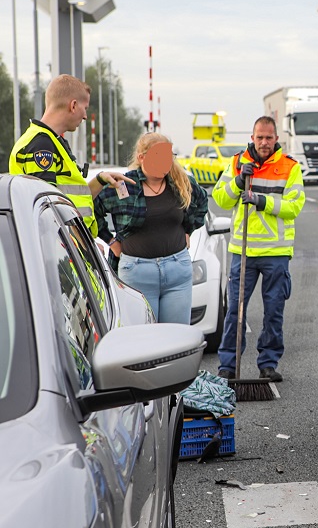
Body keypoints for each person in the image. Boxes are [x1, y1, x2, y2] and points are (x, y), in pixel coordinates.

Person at [213, 116, 304, 382]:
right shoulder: (236, 163)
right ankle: (228, 365)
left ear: (277, 139)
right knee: (235, 311)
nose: (264, 142)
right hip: (243, 252)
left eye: (269, 137)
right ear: (252, 138)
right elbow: (220, 198)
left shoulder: (289, 167)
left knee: (273, 310)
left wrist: (260, 200)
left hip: (276, 252)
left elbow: (294, 206)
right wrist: (240, 181)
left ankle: (268, 363)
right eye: (259, 137)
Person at [93, 132, 208, 323]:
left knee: (176, 340)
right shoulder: (123, 185)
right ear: (141, 157)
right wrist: (111, 241)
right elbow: (92, 209)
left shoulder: (181, 183)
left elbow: (202, 202)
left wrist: (188, 230)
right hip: (137, 273)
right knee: (145, 341)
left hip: (177, 269)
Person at [7, 74, 131, 236]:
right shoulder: (41, 145)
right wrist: (74, 247)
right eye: (85, 108)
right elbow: (46, 212)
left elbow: (71, 199)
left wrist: (100, 179)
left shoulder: (50, 141)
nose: (85, 116)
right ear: (73, 105)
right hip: (60, 253)